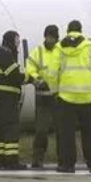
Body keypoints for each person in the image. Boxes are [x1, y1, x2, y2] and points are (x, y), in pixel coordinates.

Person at [53, 20, 91, 173]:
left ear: (68, 31)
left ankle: (68, 165)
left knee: (67, 133)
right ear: (81, 30)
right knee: (89, 132)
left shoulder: (60, 47)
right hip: (87, 96)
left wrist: (55, 89)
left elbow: (53, 71)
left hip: (67, 96)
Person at [23, 24, 61, 169]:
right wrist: (37, 80)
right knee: (41, 131)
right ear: (45, 36)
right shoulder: (38, 52)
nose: (50, 39)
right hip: (42, 98)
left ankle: (63, 159)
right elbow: (30, 68)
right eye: (48, 36)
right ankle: (37, 159)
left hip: (59, 97)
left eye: (53, 37)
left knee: (61, 131)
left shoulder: (62, 52)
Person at [0, 30, 26, 170]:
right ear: (10, 41)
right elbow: (14, 75)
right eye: (16, 41)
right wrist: (33, 80)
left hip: (5, 95)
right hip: (7, 95)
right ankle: (11, 161)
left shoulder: (5, 53)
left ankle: (0, 160)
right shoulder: (5, 53)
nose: (18, 44)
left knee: (4, 128)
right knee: (11, 127)